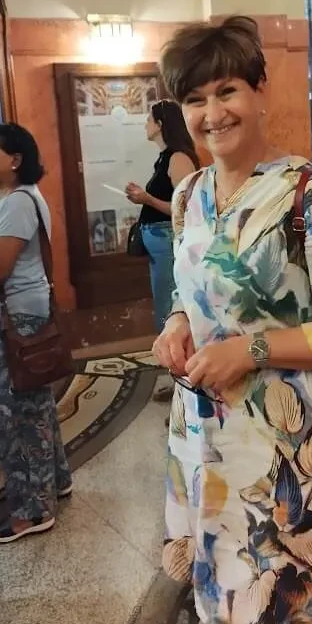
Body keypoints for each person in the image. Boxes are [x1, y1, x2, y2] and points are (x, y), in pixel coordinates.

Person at [152, 17, 312, 624]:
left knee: (310, 613)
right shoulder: (190, 196)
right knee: (245, 600)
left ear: (260, 89)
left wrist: (251, 349)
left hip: (297, 452)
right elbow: (191, 290)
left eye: (226, 90)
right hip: (213, 445)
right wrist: (177, 323)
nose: (212, 113)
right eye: (195, 99)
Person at [0, 123, 72, 544]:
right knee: (35, 405)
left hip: (10, 317)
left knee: (16, 415)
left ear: (15, 160)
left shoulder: (16, 203)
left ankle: (32, 510)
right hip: (23, 313)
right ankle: (55, 480)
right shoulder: (21, 197)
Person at [125, 100, 199, 403]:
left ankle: (186, 383)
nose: (145, 124)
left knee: (174, 312)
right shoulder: (164, 157)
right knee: (166, 310)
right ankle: (179, 378)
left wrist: (147, 199)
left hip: (169, 240)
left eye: (149, 119)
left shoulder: (178, 158)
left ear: (161, 124)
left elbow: (184, 209)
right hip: (159, 242)